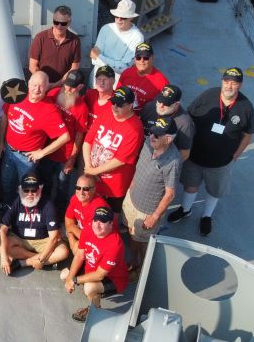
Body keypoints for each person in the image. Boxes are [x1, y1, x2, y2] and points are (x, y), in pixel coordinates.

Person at [169, 68, 254, 236]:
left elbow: (247, 135)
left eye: (234, 83)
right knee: (190, 185)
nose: (229, 86)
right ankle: (185, 209)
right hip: (195, 156)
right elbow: (188, 118)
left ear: (240, 85)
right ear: (222, 81)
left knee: (214, 191)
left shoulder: (246, 107)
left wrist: (235, 155)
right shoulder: (208, 95)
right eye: (227, 81)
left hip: (220, 162)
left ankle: (206, 216)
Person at [0, 72, 70, 209]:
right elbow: (5, 117)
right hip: (9, 150)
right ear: (28, 84)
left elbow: (65, 137)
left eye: (42, 86)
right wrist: (0, 142)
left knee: (27, 190)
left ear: (47, 87)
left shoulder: (49, 110)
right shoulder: (17, 94)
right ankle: (8, 208)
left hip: (27, 158)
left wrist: (42, 153)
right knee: (6, 182)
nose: (37, 89)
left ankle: (24, 215)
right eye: (34, 85)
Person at [123, 117, 180, 268]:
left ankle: (140, 267)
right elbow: (139, 164)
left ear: (168, 139)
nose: (151, 136)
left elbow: (170, 194)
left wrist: (155, 216)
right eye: (151, 132)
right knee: (131, 231)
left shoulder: (173, 161)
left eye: (156, 135)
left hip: (147, 212)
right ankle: (135, 262)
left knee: (143, 242)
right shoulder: (148, 143)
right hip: (132, 199)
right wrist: (131, 185)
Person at [82, 87, 144, 213]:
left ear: (130, 105)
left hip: (114, 184)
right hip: (93, 175)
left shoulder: (135, 129)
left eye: (120, 105)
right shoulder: (106, 113)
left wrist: (93, 171)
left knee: (111, 214)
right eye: (113, 102)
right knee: (90, 207)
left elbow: (120, 160)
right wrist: (89, 167)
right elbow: (88, 141)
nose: (115, 107)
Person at [63, 207, 129, 322]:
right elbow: (79, 255)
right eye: (96, 220)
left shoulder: (115, 245)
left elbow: (99, 275)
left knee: (89, 287)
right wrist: (69, 278)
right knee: (64, 275)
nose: (97, 225)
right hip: (91, 266)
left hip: (114, 278)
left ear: (111, 224)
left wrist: (74, 280)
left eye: (102, 222)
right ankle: (95, 296)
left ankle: (94, 309)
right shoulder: (88, 229)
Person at [0, 173, 70, 275]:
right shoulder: (17, 201)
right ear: (20, 190)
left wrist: (40, 260)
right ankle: (42, 259)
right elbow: (2, 228)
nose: (30, 194)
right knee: (1, 246)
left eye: (34, 190)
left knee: (63, 252)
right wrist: (3, 258)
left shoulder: (48, 205)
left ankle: (24, 262)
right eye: (26, 190)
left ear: (40, 189)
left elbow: (54, 237)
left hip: (43, 240)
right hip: (20, 239)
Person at [49, 72, 91, 212]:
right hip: (47, 150)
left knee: (62, 188)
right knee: (45, 182)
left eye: (72, 87)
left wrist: (71, 160)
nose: (67, 89)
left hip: (64, 156)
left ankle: (60, 213)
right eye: (66, 85)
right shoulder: (54, 93)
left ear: (80, 87)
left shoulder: (82, 108)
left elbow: (79, 136)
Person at [89, 0, 145, 81]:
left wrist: (98, 58)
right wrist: (98, 58)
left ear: (131, 18)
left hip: (115, 86)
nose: (119, 19)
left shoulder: (137, 37)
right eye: (116, 16)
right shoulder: (106, 28)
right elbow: (93, 56)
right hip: (95, 80)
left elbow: (124, 68)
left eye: (123, 17)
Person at [139, 84, 195, 160]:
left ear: (176, 105)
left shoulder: (185, 124)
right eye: (160, 100)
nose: (160, 106)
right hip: (142, 151)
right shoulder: (149, 107)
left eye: (166, 104)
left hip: (161, 159)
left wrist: (163, 165)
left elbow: (185, 153)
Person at [28, 5, 82, 82]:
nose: (59, 26)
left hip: (63, 86)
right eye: (56, 22)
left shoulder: (75, 40)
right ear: (53, 20)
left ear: (69, 23)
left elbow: (74, 68)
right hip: (41, 85)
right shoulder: (40, 37)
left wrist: (58, 84)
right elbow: (32, 66)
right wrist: (44, 82)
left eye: (63, 23)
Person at [115, 43, 169, 111]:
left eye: (146, 58)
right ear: (135, 59)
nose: (142, 60)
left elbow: (165, 108)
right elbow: (117, 94)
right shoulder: (126, 73)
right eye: (138, 57)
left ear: (152, 58)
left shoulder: (162, 82)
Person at [64, 175, 110, 245]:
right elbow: (68, 219)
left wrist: (72, 228)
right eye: (78, 188)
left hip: (99, 242)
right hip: (81, 233)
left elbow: (90, 237)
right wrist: (72, 241)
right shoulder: (75, 198)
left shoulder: (98, 208)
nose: (81, 192)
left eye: (85, 189)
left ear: (94, 189)